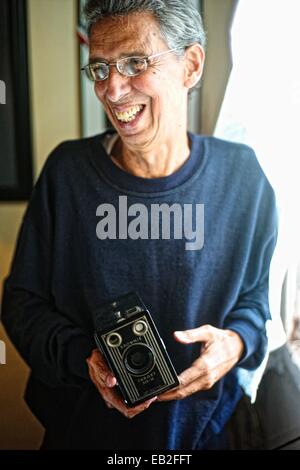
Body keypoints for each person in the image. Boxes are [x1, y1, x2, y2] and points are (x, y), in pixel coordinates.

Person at [1, 0, 277, 450]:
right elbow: (22, 302)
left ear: (190, 66)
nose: (112, 90)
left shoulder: (242, 178)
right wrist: (83, 357)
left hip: (205, 436)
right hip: (85, 436)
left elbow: (254, 303)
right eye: (100, 69)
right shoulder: (66, 174)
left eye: (134, 63)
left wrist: (236, 344)